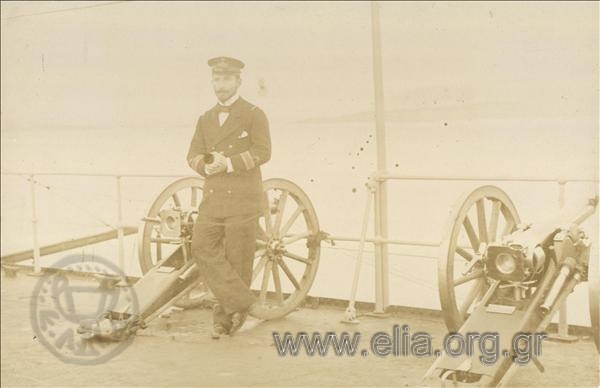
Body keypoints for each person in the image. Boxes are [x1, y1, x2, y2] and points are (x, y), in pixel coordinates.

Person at [186, 56, 271, 339]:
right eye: (216, 79)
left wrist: (230, 163)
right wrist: (203, 165)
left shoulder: (253, 114)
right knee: (200, 247)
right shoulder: (205, 118)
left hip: (243, 198)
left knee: (238, 258)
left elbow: (263, 152)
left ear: (238, 81)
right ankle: (243, 303)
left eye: (226, 79)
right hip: (213, 198)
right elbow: (192, 154)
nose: (220, 85)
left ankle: (224, 319)